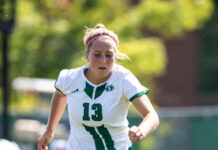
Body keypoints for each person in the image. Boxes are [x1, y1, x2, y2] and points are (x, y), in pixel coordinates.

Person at [37, 24, 159, 150]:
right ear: (87, 55)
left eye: (109, 55)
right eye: (97, 54)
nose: (103, 60)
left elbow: (152, 116)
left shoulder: (124, 79)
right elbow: (60, 94)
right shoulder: (70, 78)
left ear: (115, 57)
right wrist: (50, 129)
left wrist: (141, 130)